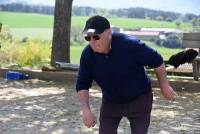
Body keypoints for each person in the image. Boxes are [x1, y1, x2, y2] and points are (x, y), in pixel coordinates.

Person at [76, 15, 177, 134]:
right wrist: (86, 110)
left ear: (109, 33)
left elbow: (158, 61)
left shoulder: (130, 45)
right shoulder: (88, 55)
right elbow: (82, 84)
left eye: (96, 37)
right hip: (111, 102)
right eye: (88, 38)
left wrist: (164, 86)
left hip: (139, 100)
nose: (92, 42)